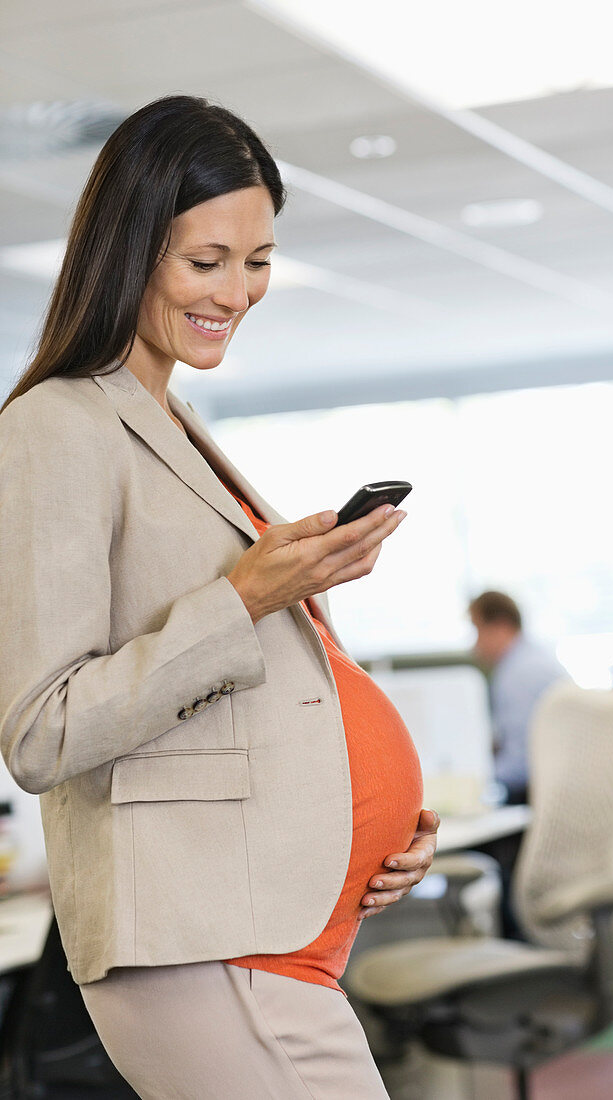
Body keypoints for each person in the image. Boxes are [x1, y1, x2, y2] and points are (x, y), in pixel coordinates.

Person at [0, 95, 439, 1100]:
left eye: (259, 260)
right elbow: (40, 728)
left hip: (266, 929)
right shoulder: (55, 425)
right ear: (129, 249)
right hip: (198, 938)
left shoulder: (171, 418)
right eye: (206, 261)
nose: (237, 291)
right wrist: (240, 599)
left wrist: (373, 818)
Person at [469, 590, 567, 805]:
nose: (475, 646)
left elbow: (520, 764)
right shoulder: (535, 658)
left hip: (540, 797)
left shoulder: (517, 675)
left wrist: (472, 777)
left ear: (501, 626)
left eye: (477, 630)